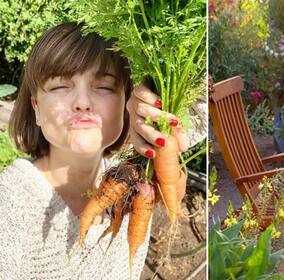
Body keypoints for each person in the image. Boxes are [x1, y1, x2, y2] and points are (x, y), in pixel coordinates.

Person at [0, 22, 194, 279]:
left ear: (129, 102)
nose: (82, 103)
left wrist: (168, 153)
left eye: (103, 86)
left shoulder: (133, 187)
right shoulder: (11, 201)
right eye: (60, 86)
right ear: (35, 107)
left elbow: (175, 189)